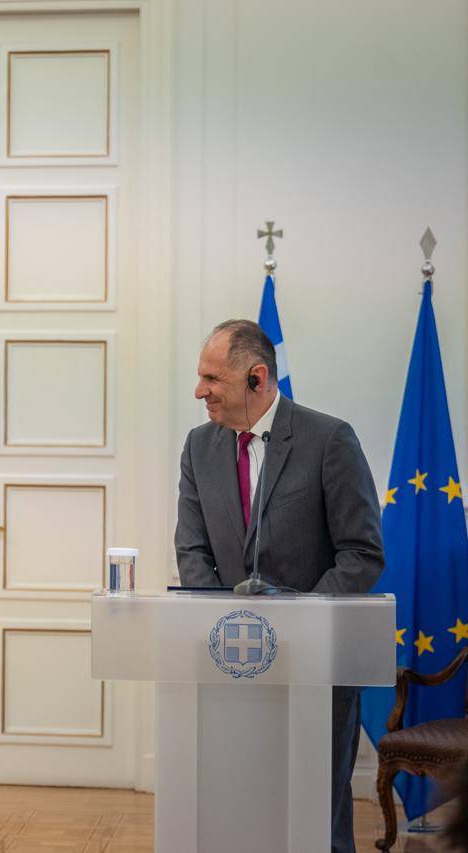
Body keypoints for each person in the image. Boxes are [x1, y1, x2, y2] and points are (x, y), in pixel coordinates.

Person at [176, 319, 385, 853]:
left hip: (316, 664)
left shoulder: (329, 440)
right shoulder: (198, 447)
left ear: (257, 377)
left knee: (318, 814)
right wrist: (222, 622)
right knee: (241, 809)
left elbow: (362, 553)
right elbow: (192, 552)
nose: (199, 391)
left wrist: (295, 622)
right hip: (232, 661)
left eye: (212, 379)